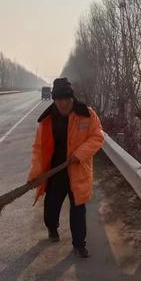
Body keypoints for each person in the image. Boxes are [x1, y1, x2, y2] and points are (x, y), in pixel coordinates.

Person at [27, 78, 104, 258]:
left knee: (78, 208)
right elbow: (39, 150)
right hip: (55, 171)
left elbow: (97, 137)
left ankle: (79, 244)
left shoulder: (87, 114)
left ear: (72, 98)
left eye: (66, 99)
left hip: (77, 170)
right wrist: (34, 175)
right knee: (52, 205)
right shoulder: (47, 120)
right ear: (54, 100)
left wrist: (79, 154)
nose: (63, 103)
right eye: (59, 99)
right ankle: (52, 228)